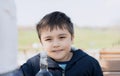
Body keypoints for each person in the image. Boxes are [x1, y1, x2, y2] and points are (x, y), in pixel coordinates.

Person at [17, 11, 103, 76]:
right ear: (41, 42)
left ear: (72, 38)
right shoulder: (32, 65)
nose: (56, 44)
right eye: (48, 39)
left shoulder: (89, 64)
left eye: (62, 37)